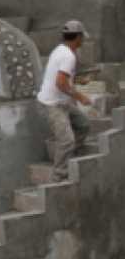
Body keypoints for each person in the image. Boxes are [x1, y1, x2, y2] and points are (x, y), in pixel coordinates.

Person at [36, 19, 92, 181]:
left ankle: (70, 158)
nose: (83, 40)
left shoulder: (60, 50)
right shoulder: (68, 56)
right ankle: (58, 176)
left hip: (62, 101)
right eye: (82, 37)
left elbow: (62, 78)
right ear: (78, 37)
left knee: (83, 125)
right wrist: (81, 97)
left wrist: (78, 81)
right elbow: (60, 83)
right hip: (52, 104)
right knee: (66, 140)